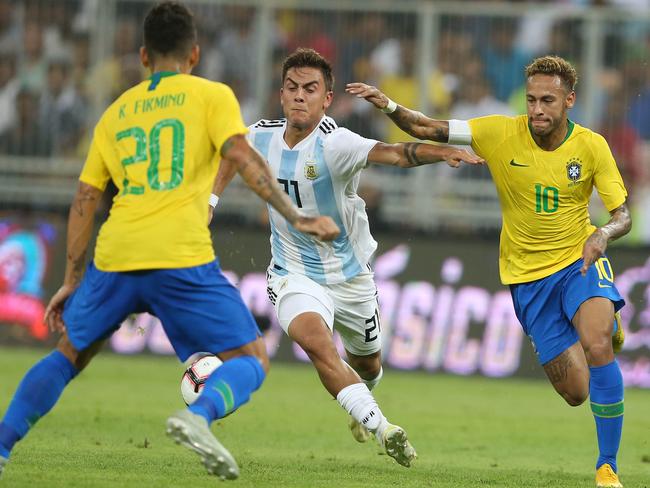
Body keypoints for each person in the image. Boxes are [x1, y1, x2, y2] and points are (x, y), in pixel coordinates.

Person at [0, 2, 338, 482]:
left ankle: (1, 444)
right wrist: (297, 216)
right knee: (251, 359)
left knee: (68, 354)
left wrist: (72, 278)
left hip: (116, 254)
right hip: (179, 255)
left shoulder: (115, 113)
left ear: (143, 56)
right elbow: (240, 155)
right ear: (194, 54)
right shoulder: (212, 96)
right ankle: (197, 417)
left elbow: (85, 199)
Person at [347, 55, 630, 488]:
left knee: (596, 344)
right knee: (576, 392)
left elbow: (622, 214)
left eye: (548, 101)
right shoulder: (499, 131)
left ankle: (607, 465)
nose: (537, 109)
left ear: (569, 100)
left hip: (580, 259)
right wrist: (387, 106)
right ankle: (602, 325)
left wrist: (604, 234)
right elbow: (427, 127)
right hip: (528, 278)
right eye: (532, 99)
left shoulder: (592, 146)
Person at [211, 48, 483, 468]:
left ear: (327, 99)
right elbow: (232, 153)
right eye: (292, 88)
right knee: (316, 343)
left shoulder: (336, 143)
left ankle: (363, 395)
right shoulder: (260, 134)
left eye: (310, 89)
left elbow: (395, 153)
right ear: (281, 94)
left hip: (351, 276)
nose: (300, 97)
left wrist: (440, 152)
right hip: (293, 272)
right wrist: (211, 199)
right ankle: (382, 427)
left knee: (367, 362)